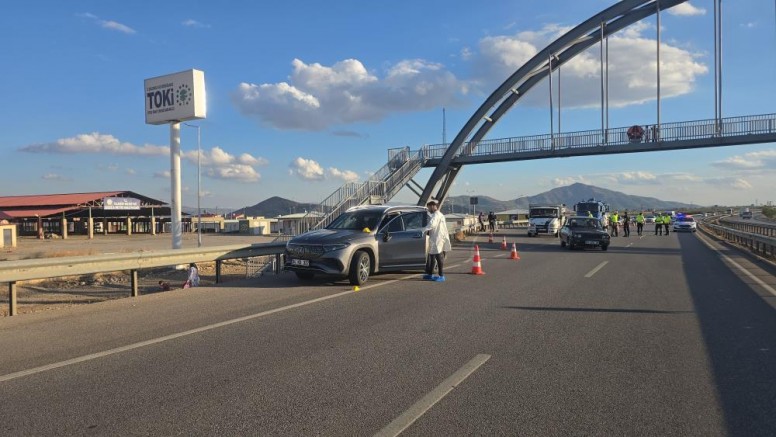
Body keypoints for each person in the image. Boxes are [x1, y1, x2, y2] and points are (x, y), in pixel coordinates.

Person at [423, 199, 451, 282]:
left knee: (438, 257)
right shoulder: (438, 214)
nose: (428, 210)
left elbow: (432, 224)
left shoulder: (436, 215)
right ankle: (430, 274)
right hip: (434, 238)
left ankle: (441, 275)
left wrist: (423, 230)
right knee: (431, 256)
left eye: (429, 208)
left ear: (432, 206)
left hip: (437, 239)